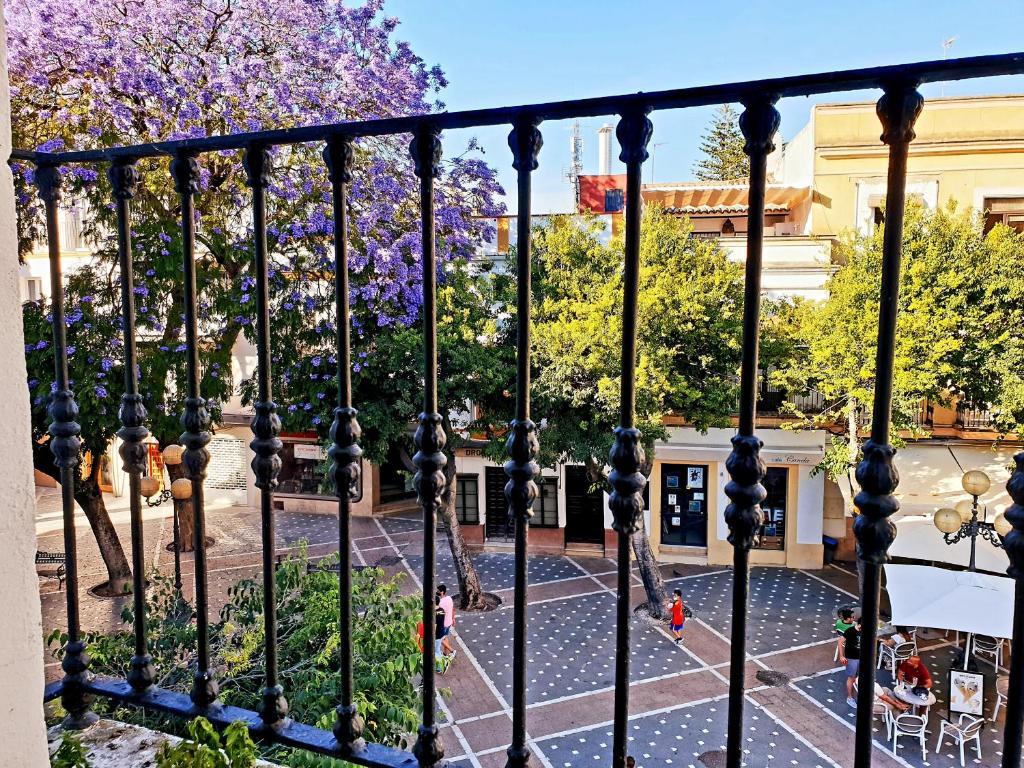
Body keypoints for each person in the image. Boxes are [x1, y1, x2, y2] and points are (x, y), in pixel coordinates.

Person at [838, 615, 862, 708]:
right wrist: (841, 656)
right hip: (852, 658)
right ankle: (849, 697)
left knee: (859, 677)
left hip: (861, 658)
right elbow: (840, 642)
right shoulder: (850, 631)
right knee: (851, 678)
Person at [438, 584, 456, 659]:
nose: (437, 592)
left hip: (443, 624)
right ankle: (445, 654)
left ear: (442, 592)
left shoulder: (440, 603)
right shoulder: (449, 598)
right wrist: (453, 618)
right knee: (445, 637)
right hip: (449, 622)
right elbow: (453, 609)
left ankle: (452, 651)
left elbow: (440, 615)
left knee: (439, 638)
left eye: (438, 591)